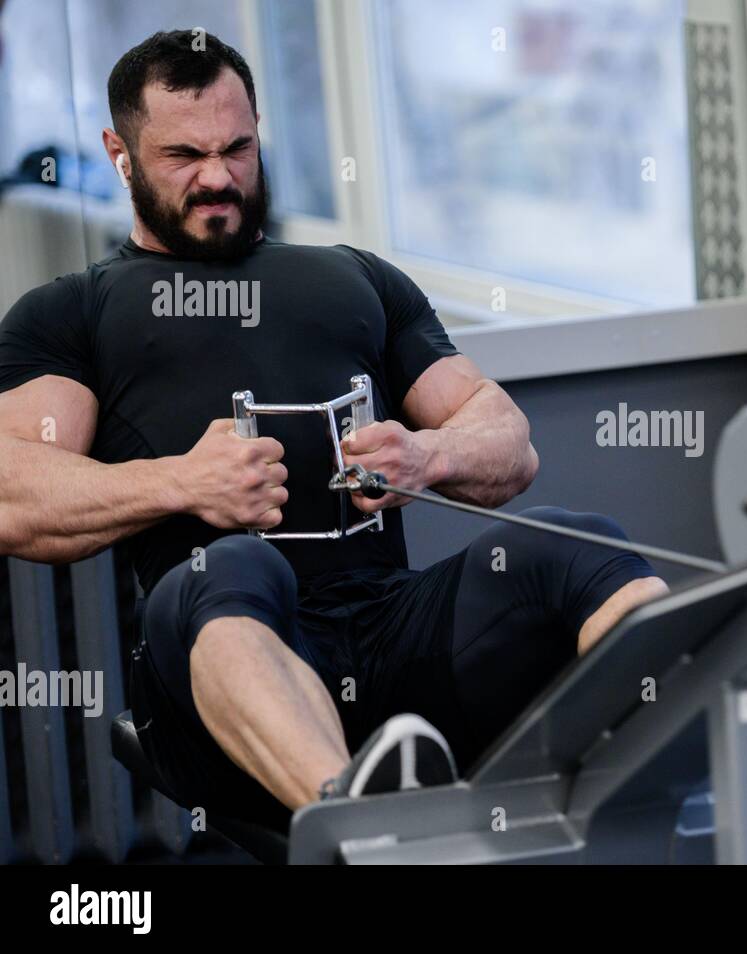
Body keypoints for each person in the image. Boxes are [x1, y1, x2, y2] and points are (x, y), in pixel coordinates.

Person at [0, 30, 668, 831]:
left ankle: (715, 722)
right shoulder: (74, 311)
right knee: (229, 565)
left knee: (573, 544)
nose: (218, 177)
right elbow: (12, 489)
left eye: (238, 147)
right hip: (216, 662)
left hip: (390, 636)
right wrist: (182, 481)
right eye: (184, 155)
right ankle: (363, 826)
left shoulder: (352, 277)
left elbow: (507, 440)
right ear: (120, 151)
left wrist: (427, 454)